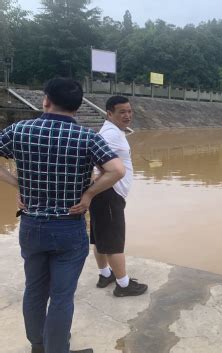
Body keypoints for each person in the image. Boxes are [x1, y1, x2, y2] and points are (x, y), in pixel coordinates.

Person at [0, 78, 125, 353]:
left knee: (34, 290)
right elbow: (117, 170)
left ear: (45, 100)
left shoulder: (19, 129)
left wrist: (17, 183)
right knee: (61, 297)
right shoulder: (87, 137)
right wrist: (89, 195)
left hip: (31, 224)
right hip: (69, 226)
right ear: (78, 107)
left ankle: (38, 346)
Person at [89, 96, 147, 297]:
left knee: (100, 238)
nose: (127, 115)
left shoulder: (113, 132)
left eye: (129, 111)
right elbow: (93, 161)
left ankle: (105, 274)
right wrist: (94, 187)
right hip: (109, 194)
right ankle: (123, 286)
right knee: (114, 242)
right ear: (109, 113)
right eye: (122, 112)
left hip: (104, 193)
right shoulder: (110, 135)